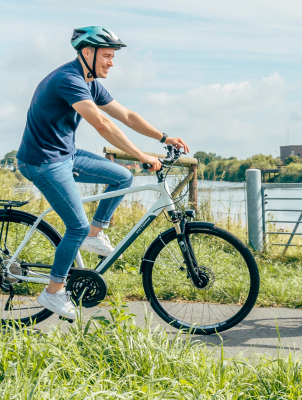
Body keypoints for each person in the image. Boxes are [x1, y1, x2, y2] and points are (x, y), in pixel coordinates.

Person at [15, 26, 189, 319]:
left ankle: (94, 235)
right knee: (76, 227)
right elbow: (102, 124)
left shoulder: (90, 82)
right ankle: (54, 292)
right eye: (107, 56)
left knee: (122, 176)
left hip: (65, 155)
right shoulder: (69, 80)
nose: (111, 62)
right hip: (42, 162)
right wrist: (141, 155)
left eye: (112, 56)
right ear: (87, 53)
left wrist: (163, 137)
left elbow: (126, 116)